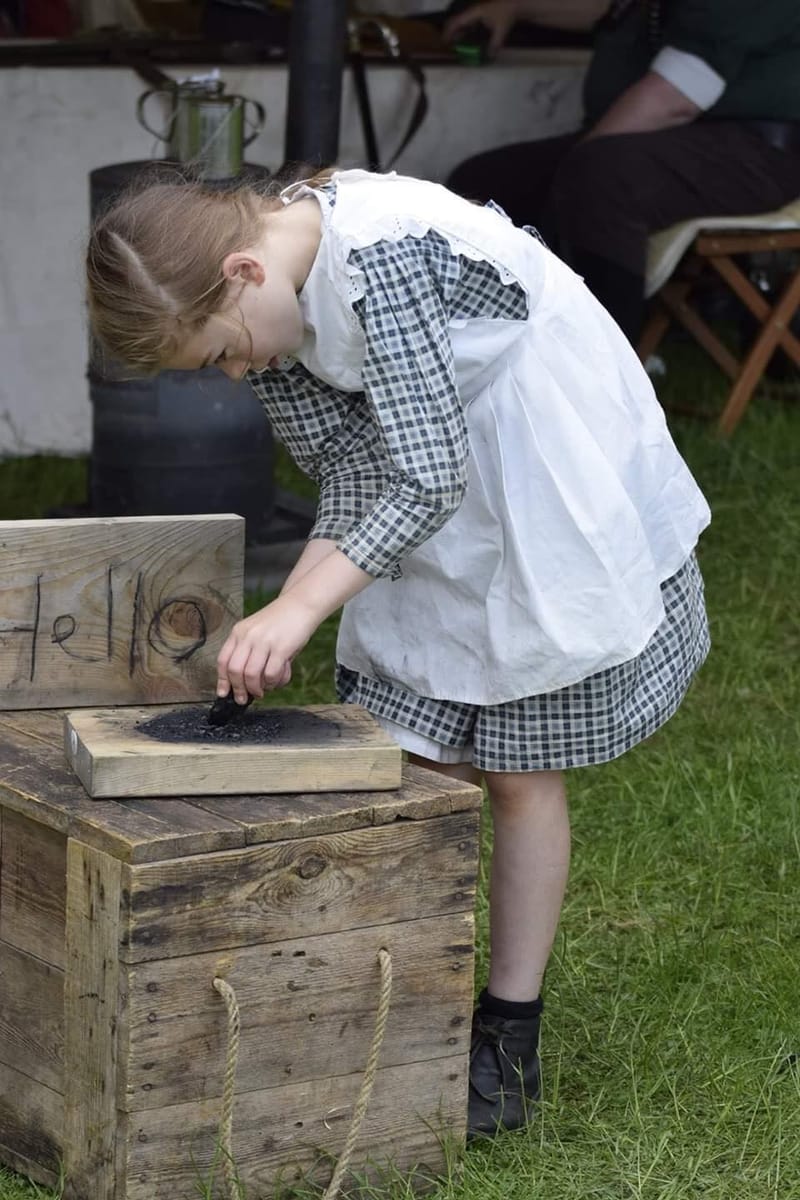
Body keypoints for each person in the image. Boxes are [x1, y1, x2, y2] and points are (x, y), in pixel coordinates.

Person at [85, 165, 711, 1138]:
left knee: (514, 764)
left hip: (531, 443)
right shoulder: (275, 321)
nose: (236, 375)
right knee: (420, 757)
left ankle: (508, 1034)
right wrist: (292, 601)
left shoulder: (383, 258)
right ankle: (406, 1001)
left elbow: (423, 478)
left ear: (244, 271)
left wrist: (297, 614)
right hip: (434, 477)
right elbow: (353, 470)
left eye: (221, 355)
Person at [444, 0, 800, 345]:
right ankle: (493, 357)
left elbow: (679, 95)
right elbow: (610, 7)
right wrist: (516, 7)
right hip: (671, 137)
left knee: (602, 178)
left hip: (762, 152)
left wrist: (577, 160)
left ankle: (605, 372)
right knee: (485, 182)